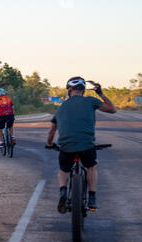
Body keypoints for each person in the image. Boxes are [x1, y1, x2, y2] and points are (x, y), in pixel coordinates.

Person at [45, 76, 116, 213]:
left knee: (64, 170)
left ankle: (63, 192)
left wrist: (49, 144)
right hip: (87, 145)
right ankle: (92, 197)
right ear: (83, 91)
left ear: (69, 90)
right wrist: (100, 93)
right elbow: (112, 109)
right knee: (91, 167)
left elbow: (51, 132)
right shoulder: (91, 101)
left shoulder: (61, 107)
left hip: (66, 146)